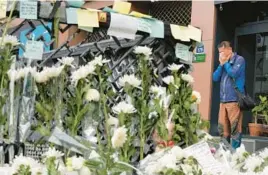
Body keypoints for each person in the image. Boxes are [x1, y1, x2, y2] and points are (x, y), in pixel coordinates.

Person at [213, 41, 245, 149]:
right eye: (219, 52)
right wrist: (221, 65)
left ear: (229, 49)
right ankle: (225, 153)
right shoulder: (223, 63)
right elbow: (215, 77)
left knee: (235, 129)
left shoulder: (239, 60)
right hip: (223, 101)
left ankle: (235, 155)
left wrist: (226, 63)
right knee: (223, 129)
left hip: (234, 101)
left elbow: (233, 73)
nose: (220, 54)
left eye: (222, 52)